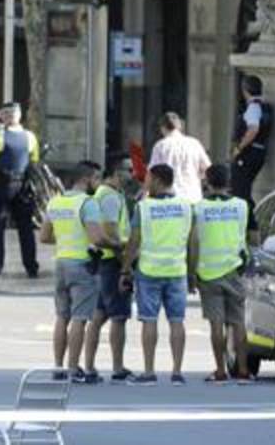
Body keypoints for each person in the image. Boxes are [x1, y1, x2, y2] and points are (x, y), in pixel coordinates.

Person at [38, 161, 121, 384]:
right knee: (79, 318)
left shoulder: (55, 202)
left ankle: (58, 366)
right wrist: (116, 244)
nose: (98, 183)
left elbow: (44, 237)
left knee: (61, 317)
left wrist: (66, 239)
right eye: (96, 179)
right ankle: (74, 369)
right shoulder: (88, 204)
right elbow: (97, 238)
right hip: (83, 264)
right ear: (86, 179)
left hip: (61, 262)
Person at [122, 164, 194, 386]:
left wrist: (125, 268)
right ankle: (177, 372)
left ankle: (149, 372)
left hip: (149, 271)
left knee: (149, 321)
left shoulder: (143, 208)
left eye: (148, 179)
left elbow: (134, 241)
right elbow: (193, 242)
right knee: (177, 321)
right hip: (177, 271)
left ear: (157, 181)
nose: (145, 183)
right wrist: (192, 273)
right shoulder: (186, 207)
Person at [189, 164, 251, 384]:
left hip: (208, 273)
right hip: (235, 270)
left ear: (207, 181)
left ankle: (220, 371)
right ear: (228, 181)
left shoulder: (199, 208)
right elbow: (248, 237)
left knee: (216, 324)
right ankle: (243, 371)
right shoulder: (242, 206)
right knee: (238, 323)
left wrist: (191, 272)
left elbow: (194, 243)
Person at [83, 154, 137, 383]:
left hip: (103, 261)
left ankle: (89, 366)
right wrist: (125, 262)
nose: (132, 174)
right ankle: (116, 367)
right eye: (128, 169)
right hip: (112, 261)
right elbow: (111, 231)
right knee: (118, 316)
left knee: (99, 315)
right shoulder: (110, 197)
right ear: (116, 173)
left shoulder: (110, 194)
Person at [0, 103, 41, 279]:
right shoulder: (30, 137)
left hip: (2, 186)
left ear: (4, 117)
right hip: (22, 186)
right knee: (26, 229)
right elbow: (35, 161)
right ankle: (31, 267)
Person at [230, 75, 272, 211]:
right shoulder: (264, 106)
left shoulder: (253, 108)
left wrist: (238, 147)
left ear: (245, 91)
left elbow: (253, 129)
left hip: (249, 154)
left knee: (240, 190)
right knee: (243, 189)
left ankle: (251, 223)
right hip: (258, 152)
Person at [148, 112, 211, 202]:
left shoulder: (160, 145)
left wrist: (146, 192)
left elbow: (152, 173)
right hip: (193, 197)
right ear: (179, 127)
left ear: (163, 128)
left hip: (171, 199)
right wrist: (198, 176)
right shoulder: (194, 144)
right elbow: (208, 170)